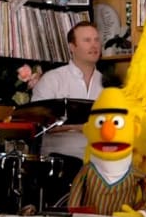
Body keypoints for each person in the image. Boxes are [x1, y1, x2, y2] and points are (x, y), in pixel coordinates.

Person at [31, 21, 104, 165]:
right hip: (60, 161)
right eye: (87, 40)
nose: (94, 45)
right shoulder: (52, 79)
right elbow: (40, 123)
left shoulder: (108, 84)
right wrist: (85, 127)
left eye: (96, 40)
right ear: (72, 47)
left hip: (100, 161)